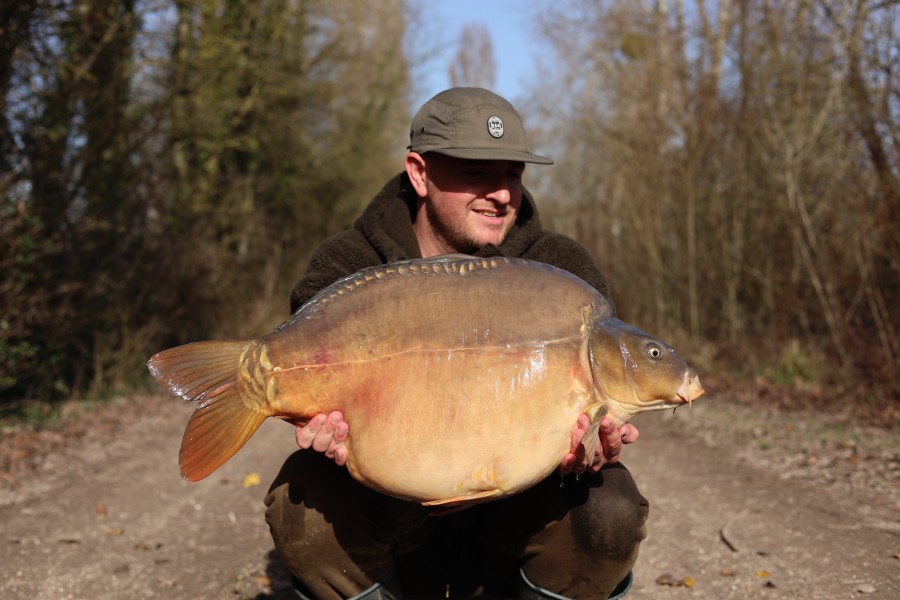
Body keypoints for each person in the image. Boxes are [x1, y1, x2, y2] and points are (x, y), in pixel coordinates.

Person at [265, 87, 647, 600]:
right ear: (419, 173)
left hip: (514, 513)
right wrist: (322, 425)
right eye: (477, 173)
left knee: (611, 508)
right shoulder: (348, 263)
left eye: (512, 173)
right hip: (392, 509)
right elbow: (312, 383)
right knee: (301, 501)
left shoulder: (562, 271)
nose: (503, 194)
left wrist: (593, 441)